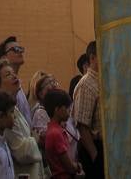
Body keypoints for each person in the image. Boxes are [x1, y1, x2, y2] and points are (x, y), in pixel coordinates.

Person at [0, 60, 43, 179]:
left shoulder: (13, 109)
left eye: (13, 73)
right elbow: (21, 153)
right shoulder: (2, 115)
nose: (14, 76)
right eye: (8, 75)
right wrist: (36, 139)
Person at [72, 42, 103, 179]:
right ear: (92, 58)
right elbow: (82, 125)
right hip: (95, 149)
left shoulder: (102, 81)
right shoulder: (86, 84)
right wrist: (95, 155)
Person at [44, 90, 83, 178]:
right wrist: (78, 166)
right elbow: (69, 166)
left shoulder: (55, 129)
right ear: (57, 110)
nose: (69, 111)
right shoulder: (56, 133)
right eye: (67, 108)